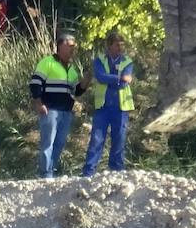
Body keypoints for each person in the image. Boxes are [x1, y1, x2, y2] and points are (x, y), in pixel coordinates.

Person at [29, 32, 86, 178]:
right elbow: (35, 83)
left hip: (66, 111)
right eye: (70, 46)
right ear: (61, 45)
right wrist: (38, 102)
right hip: (51, 110)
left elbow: (77, 91)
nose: (73, 49)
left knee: (59, 143)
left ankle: (50, 171)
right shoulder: (47, 62)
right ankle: (46, 173)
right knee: (48, 143)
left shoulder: (71, 69)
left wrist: (88, 79)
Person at [82, 30, 134, 176]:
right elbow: (100, 77)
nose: (120, 48)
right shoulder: (100, 60)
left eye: (122, 45)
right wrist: (119, 79)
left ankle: (116, 171)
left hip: (121, 106)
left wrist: (113, 79)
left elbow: (124, 84)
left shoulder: (127, 61)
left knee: (119, 139)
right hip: (103, 106)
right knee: (97, 139)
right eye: (117, 45)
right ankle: (88, 172)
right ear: (109, 46)